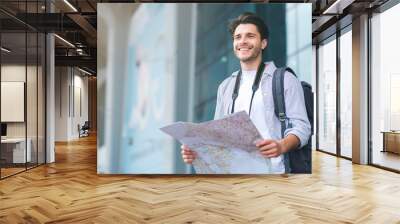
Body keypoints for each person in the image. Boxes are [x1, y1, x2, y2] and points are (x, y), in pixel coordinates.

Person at [181, 12, 311, 174]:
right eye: (238, 37)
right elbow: (218, 136)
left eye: (250, 36)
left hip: (275, 173)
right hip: (236, 176)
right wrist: (197, 152)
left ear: (263, 43)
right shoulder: (225, 87)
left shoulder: (285, 79)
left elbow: (303, 127)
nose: (242, 41)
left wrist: (281, 145)